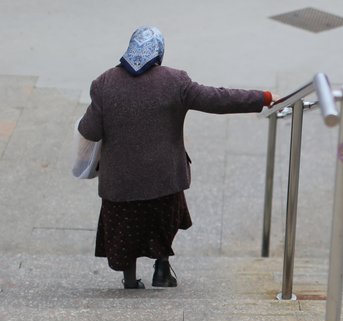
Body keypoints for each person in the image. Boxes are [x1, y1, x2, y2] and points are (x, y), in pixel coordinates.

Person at [78, 26, 275, 289]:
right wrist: (262, 98)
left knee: (126, 232)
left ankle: (129, 281)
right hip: (165, 180)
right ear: (159, 52)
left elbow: (89, 130)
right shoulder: (175, 81)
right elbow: (218, 99)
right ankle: (161, 268)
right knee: (161, 222)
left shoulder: (104, 83)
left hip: (120, 185)